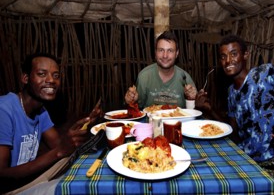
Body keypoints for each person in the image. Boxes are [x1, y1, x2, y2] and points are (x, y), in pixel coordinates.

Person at [195, 35, 274, 194]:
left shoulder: (267, 73)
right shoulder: (232, 93)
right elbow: (234, 133)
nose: (228, 61)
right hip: (247, 164)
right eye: (223, 56)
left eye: (234, 54)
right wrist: (209, 109)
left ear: (245, 55)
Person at [0, 53, 102, 193]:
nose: (51, 80)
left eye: (56, 76)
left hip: (28, 179)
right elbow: (2, 176)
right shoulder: (4, 109)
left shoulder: (40, 110)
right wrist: (60, 151)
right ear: (25, 78)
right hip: (10, 188)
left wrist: (87, 123)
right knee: (71, 189)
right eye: (42, 74)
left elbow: (59, 146)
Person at [125, 31, 197, 109]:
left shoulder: (185, 78)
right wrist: (131, 101)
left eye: (170, 50)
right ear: (155, 52)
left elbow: (193, 113)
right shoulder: (144, 77)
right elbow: (136, 111)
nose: (165, 55)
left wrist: (192, 99)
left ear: (176, 53)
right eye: (161, 50)